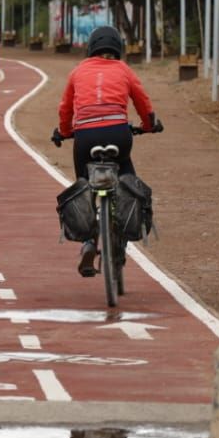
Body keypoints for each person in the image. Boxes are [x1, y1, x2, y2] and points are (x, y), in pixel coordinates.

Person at [50, 26, 162, 276]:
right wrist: (148, 125)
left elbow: (65, 109)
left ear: (90, 48)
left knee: (83, 182)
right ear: (117, 49)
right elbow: (142, 101)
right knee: (127, 176)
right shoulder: (124, 70)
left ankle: (89, 242)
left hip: (86, 138)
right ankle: (124, 225)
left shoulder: (77, 72)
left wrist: (65, 131)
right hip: (118, 135)